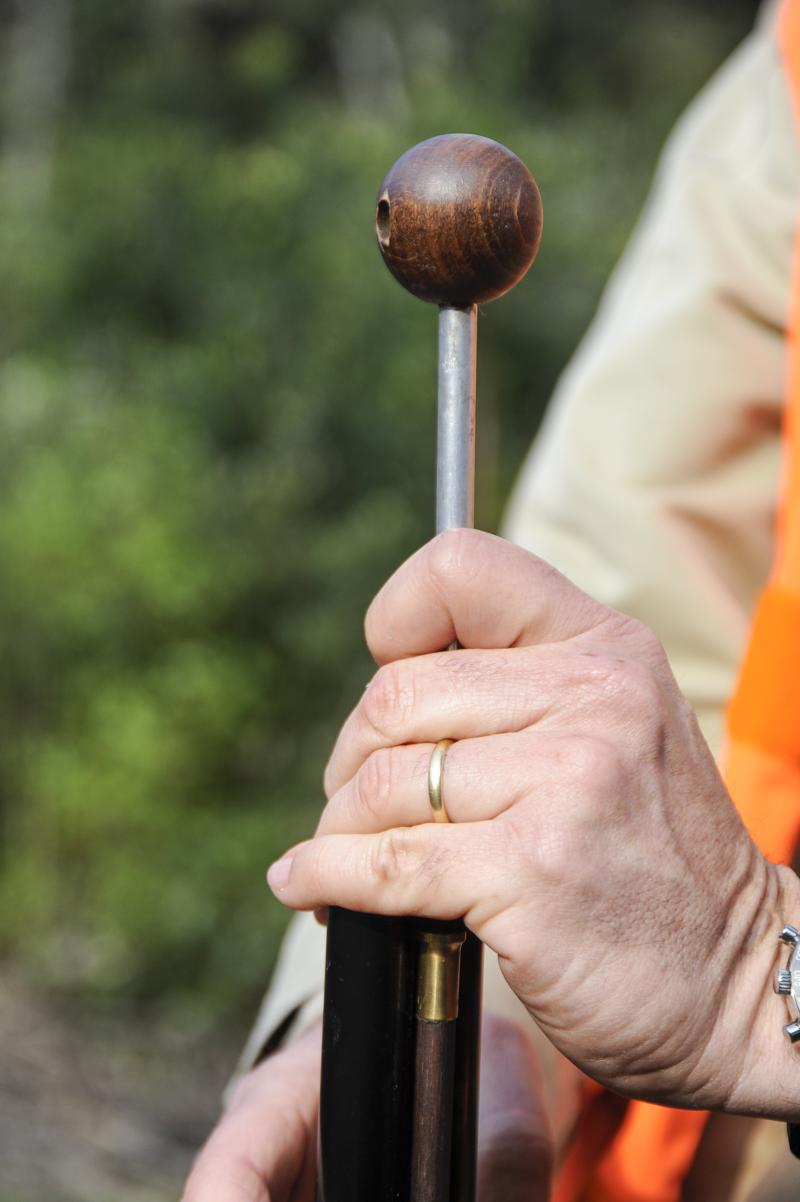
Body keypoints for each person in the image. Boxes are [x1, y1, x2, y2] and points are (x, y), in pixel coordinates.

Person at [183, 0, 800, 1198]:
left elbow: (723, 934)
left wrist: (751, 973)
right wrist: (451, 1015)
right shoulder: (788, 84)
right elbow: (619, 622)